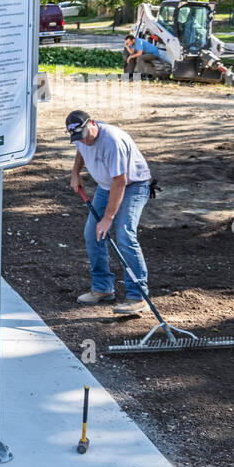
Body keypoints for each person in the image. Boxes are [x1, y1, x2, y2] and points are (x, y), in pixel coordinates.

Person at [66, 110, 153, 315]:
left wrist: (108, 218)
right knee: (92, 234)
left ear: (93, 123)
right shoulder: (81, 137)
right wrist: (76, 173)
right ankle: (103, 288)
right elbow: (81, 150)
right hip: (106, 187)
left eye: (85, 136)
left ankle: (138, 296)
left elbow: (120, 181)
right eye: (79, 138)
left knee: (124, 234)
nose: (84, 141)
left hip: (133, 185)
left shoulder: (112, 141)